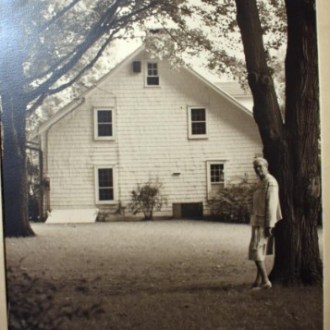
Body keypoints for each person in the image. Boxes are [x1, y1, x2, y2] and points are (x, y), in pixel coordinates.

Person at [249, 157, 282, 289]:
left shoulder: (270, 182)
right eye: (255, 167)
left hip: (265, 222)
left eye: (260, 166)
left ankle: (265, 282)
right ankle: (258, 281)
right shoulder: (260, 182)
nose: (257, 169)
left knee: (256, 250)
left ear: (266, 167)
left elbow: (272, 205)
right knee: (259, 250)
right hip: (257, 220)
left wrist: (270, 224)